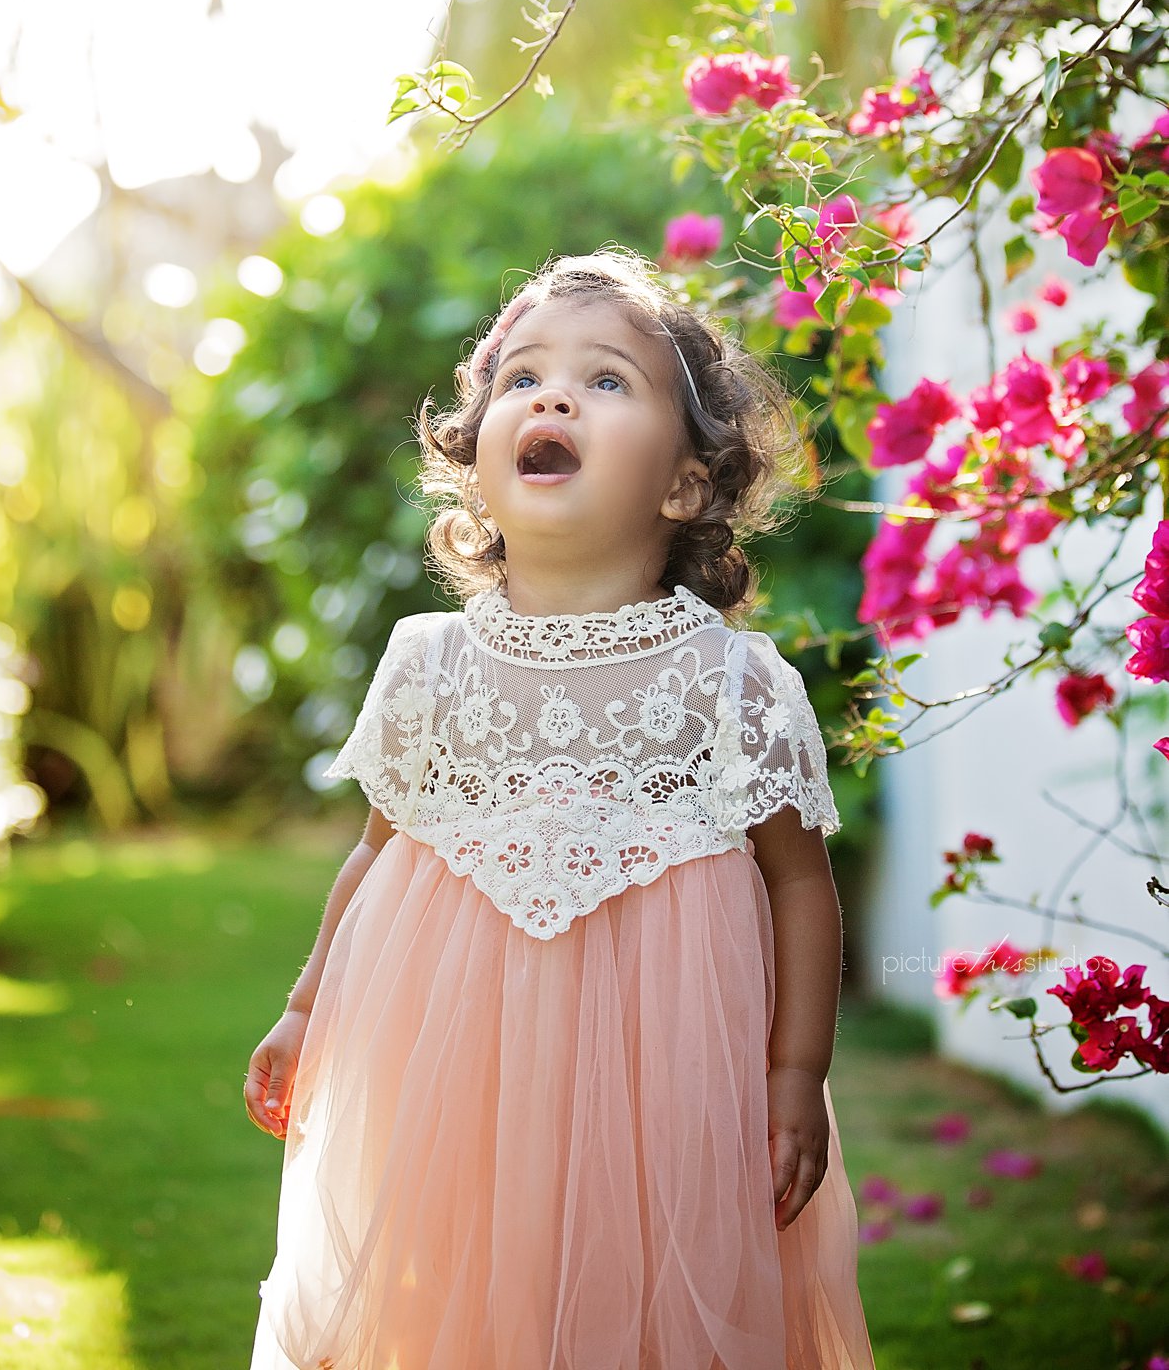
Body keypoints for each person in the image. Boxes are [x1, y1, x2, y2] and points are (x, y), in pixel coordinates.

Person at [245, 246, 877, 1370]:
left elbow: (795, 881)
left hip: (667, 1066)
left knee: (636, 1297)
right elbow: (373, 853)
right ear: (476, 462)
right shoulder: (427, 660)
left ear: (682, 483)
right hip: (451, 1063)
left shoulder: (729, 681)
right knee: (455, 1293)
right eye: (522, 377)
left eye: (605, 381)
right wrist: (305, 1006)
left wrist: (791, 1073)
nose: (548, 395)